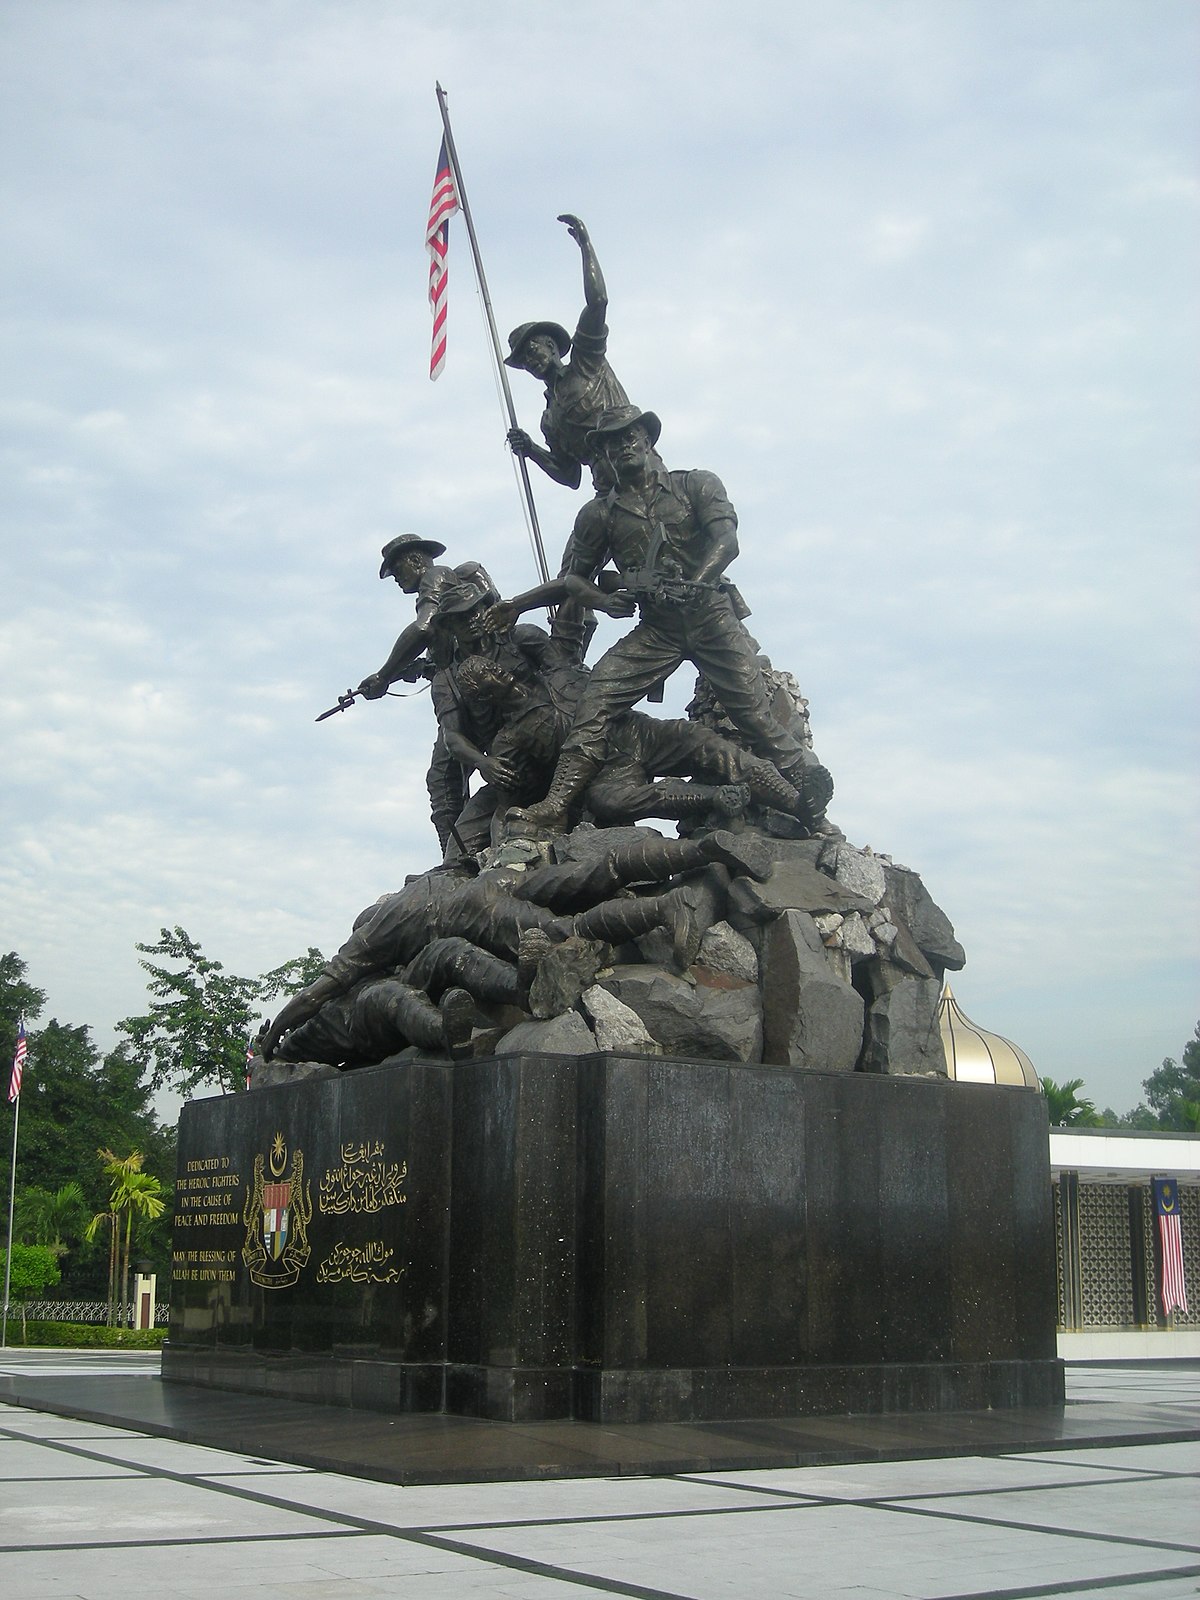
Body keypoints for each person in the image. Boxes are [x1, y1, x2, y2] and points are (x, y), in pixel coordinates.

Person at [486, 405, 833, 832]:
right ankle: (556, 803)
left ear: (648, 440)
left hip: (711, 618)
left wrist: (696, 581)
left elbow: (727, 541)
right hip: (659, 630)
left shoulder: (696, 485)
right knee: (595, 703)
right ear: (604, 455)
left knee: (754, 715)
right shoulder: (600, 515)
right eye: (611, 443)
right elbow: (574, 578)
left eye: (629, 437)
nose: (622, 447)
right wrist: (598, 599)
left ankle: (808, 796)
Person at [257, 828, 771, 1061]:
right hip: (498, 880)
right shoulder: (423, 885)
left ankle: (663, 909)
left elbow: (317, 993)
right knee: (599, 871)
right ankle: (700, 848)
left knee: (574, 931)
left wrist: (274, 1033)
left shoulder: (377, 930)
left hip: (483, 914)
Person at [451, 654, 805, 828]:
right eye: (483, 676)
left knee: (700, 740)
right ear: (482, 696)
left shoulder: (559, 671)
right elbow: (512, 799)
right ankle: (719, 799)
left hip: (637, 732)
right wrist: (488, 768)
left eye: (489, 665)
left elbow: (574, 600)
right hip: (607, 772)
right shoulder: (508, 740)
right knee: (610, 803)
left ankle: (796, 798)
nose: (494, 670)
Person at [504, 215, 629, 492]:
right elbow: (570, 476)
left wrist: (585, 245)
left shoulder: (585, 362)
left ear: (551, 345)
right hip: (607, 491)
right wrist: (531, 449)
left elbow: (598, 302)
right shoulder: (550, 418)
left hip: (635, 465)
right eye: (523, 361)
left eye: (532, 351)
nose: (530, 362)